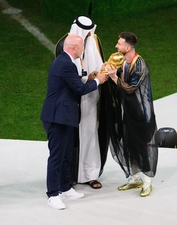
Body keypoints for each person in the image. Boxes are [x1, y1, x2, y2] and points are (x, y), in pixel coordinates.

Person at [40, 34, 113, 210]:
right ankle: (53, 194)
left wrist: (89, 79)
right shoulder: (65, 63)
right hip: (57, 118)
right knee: (57, 157)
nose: (82, 50)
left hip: (65, 117)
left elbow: (72, 84)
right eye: (81, 47)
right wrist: (98, 81)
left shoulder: (66, 62)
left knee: (67, 155)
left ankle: (65, 187)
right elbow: (79, 89)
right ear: (73, 47)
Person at [55, 15, 107, 189]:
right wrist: (89, 79)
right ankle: (69, 177)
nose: (87, 38)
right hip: (72, 100)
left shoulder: (94, 41)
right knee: (70, 139)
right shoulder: (65, 45)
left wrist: (95, 77)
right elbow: (67, 76)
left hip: (90, 98)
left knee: (90, 134)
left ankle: (90, 174)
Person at [106, 32, 158, 197]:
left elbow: (130, 88)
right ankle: (135, 178)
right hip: (128, 111)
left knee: (142, 147)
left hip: (142, 114)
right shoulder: (124, 63)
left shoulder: (140, 65)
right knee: (128, 145)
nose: (116, 46)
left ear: (127, 48)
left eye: (119, 43)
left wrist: (114, 77)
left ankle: (147, 182)